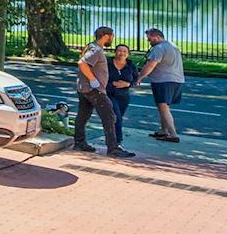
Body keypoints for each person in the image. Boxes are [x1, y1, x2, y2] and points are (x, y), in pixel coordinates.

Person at [72, 26, 132, 157]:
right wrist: (93, 80)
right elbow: (82, 63)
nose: (112, 39)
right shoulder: (96, 49)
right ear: (106, 36)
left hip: (84, 88)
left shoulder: (91, 46)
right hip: (94, 90)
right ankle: (113, 148)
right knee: (110, 116)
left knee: (83, 116)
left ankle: (79, 142)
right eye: (112, 36)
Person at [137, 27, 184, 143]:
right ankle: (163, 131)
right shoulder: (172, 45)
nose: (149, 41)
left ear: (158, 37)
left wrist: (139, 77)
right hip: (177, 80)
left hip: (163, 81)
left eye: (150, 39)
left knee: (163, 107)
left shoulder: (158, 48)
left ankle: (173, 134)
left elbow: (150, 65)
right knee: (164, 107)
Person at [108, 43, 140, 127]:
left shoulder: (130, 65)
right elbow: (100, 78)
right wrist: (112, 84)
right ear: (115, 52)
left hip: (124, 95)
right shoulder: (107, 63)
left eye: (124, 51)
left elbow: (136, 79)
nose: (122, 53)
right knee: (116, 116)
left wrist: (128, 84)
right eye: (119, 51)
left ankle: (113, 136)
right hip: (109, 94)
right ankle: (117, 138)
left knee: (119, 117)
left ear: (128, 54)